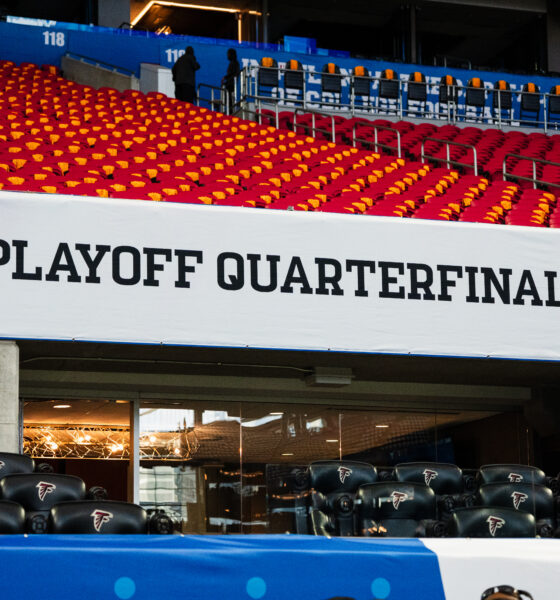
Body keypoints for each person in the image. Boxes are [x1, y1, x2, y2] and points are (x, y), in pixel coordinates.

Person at [222, 48, 240, 114]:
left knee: (229, 101)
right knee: (229, 101)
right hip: (230, 84)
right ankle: (229, 112)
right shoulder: (235, 63)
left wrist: (225, 78)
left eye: (228, 54)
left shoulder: (234, 63)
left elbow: (232, 74)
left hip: (231, 85)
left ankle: (230, 113)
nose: (227, 56)